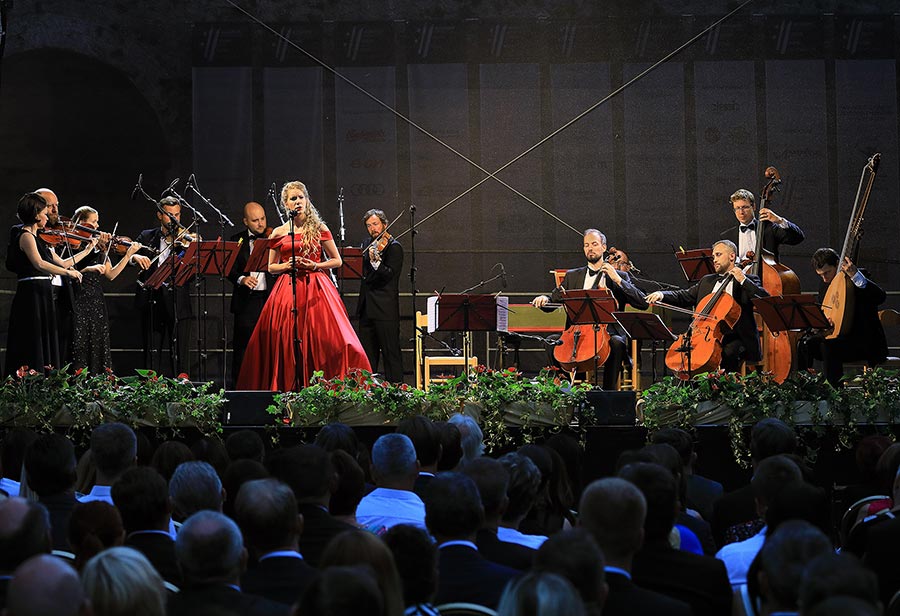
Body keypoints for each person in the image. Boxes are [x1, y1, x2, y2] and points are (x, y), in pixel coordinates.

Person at [236, 180, 371, 391]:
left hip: (316, 287)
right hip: (287, 289)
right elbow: (271, 267)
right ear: (285, 204)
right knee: (286, 340)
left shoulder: (319, 227)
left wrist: (316, 264)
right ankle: (289, 390)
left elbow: (337, 261)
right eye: (293, 198)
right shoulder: (279, 232)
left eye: (301, 197)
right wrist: (285, 265)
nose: (298, 201)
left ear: (307, 200)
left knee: (330, 339)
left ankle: (324, 389)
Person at [532, 228, 648, 390]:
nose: (590, 248)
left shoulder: (619, 276)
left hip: (608, 334)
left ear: (603, 247)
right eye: (586, 245)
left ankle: (608, 393)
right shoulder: (573, 276)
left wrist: (616, 279)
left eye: (594, 244)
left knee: (617, 343)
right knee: (551, 342)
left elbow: (642, 303)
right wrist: (545, 299)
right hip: (577, 334)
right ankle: (565, 388)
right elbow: (553, 300)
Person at [645, 239, 769, 373]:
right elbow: (684, 296)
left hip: (738, 337)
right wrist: (662, 294)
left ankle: (726, 392)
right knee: (687, 354)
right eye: (713, 256)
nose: (714, 259)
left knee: (728, 352)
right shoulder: (707, 280)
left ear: (732, 256)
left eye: (718, 255)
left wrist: (742, 279)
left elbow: (764, 299)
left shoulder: (748, 280)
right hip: (706, 335)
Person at [4, 192, 93, 376]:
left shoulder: (42, 240)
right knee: (33, 340)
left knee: (45, 339)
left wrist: (89, 249)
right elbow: (40, 264)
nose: (48, 217)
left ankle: (46, 380)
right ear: (36, 215)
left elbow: (63, 263)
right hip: (32, 294)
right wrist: (68, 273)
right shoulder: (26, 236)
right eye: (45, 214)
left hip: (43, 294)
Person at [797, 248, 888, 386]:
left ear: (838, 265)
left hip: (863, 342)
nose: (824, 278)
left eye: (827, 272)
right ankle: (804, 389)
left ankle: (835, 395)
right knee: (804, 344)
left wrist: (855, 276)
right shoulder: (825, 285)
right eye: (820, 275)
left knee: (829, 347)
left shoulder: (859, 275)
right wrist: (819, 325)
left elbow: (880, 297)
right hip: (838, 340)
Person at [69, 206, 142, 373]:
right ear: (81, 223)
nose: (97, 226)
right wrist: (88, 268)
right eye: (93, 221)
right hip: (78, 298)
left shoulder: (100, 247)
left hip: (96, 299)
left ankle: (97, 383)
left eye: (97, 222)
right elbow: (67, 270)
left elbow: (112, 274)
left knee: (97, 341)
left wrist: (128, 254)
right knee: (79, 343)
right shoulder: (74, 244)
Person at [131, 196, 194, 377]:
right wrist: (134, 257)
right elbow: (128, 256)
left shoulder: (186, 238)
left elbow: (195, 272)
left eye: (177, 215)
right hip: (153, 301)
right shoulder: (147, 236)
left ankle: (183, 394)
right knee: (152, 354)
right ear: (160, 215)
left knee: (181, 356)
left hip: (179, 303)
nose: (174, 219)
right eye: (169, 215)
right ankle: (150, 393)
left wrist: (189, 249)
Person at [227, 201, 275, 386]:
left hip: (269, 299)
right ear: (245, 222)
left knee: (270, 346)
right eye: (255, 220)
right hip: (247, 302)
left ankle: (270, 386)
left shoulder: (273, 238)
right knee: (243, 348)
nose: (261, 224)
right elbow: (228, 268)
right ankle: (239, 388)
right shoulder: (236, 240)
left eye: (263, 219)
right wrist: (241, 279)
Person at [357, 209, 404, 383]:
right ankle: (368, 391)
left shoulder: (394, 247)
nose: (373, 229)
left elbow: (390, 276)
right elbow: (364, 274)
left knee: (390, 353)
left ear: (385, 224)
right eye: (369, 225)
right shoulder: (367, 243)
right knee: (368, 356)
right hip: (367, 308)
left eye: (375, 224)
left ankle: (397, 390)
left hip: (385, 310)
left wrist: (376, 263)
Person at [721, 188, 804, 264]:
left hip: (767, 277)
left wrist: (779, 220)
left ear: (753, 207)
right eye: (737, 208)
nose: (741, 212)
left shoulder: (769, 228)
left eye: (745, 207)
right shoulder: (727, 236)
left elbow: (798, 238)